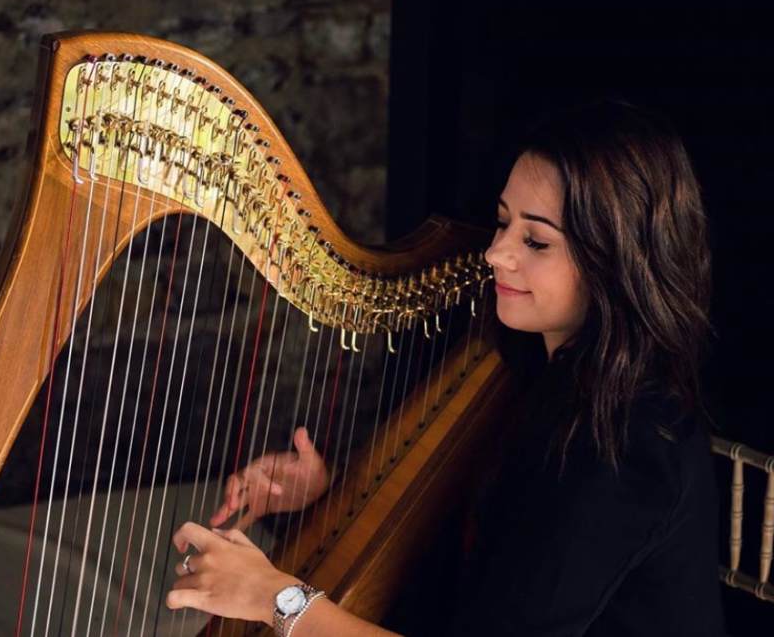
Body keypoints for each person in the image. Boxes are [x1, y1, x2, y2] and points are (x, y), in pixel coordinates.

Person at [165, 100, 727, 636]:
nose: (496, 253)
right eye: (503, 222)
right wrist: (325, 499)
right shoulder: (542, 375)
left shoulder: (627, 443)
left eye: (536, 241)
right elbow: (478, 570)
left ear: (616, 260)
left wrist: (276, 598)